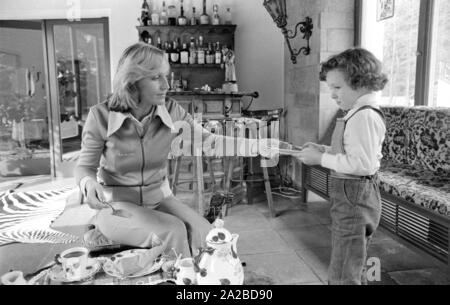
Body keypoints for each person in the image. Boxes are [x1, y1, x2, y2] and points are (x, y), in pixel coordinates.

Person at [75, 42, 278, 258]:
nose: (166, 85)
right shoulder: (100, 116)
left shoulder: (172, 110)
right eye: (155, 78)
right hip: (117, 205)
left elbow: (209, 140)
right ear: (132, 82)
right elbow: (85, 167)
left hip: (160, 199)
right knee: (174, 231)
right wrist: (88, 183)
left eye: (166, 76)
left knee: (206, 235)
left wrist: (256, 145)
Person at [295, 48, 388, 285]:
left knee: (344, 264)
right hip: (352, 194)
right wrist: (323, 149)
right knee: (353, 256)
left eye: (337, 88)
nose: (333, 95)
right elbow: (352, 152)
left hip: (354, 195)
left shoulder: (363, 116)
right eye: (330, 88)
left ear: (362, 82)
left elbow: (362, 164)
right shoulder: (356, 113)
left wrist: (320, 160)